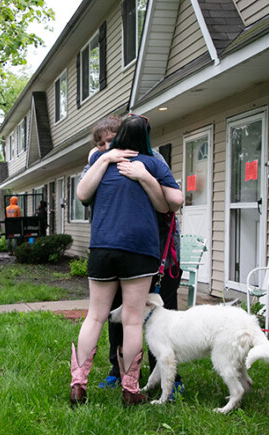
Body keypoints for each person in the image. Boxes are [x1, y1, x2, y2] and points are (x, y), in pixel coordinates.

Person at [70, 114, 183, 406]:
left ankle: (78, 384)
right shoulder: (151, 161)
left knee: (95, 315)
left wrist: (103, 159)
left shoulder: (99, 161)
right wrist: (142, 175)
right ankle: (131, 389)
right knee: (132, 321)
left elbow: (82, 193)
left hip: (103, 246)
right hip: (140, 248)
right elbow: (167, 205)